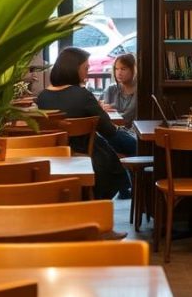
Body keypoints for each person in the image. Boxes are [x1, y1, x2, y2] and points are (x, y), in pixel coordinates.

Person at [36, 47, 133, 200]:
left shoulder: (42, 97)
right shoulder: (82, 95)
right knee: (130, 145)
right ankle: (132, 189)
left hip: (52, 155)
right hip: (86, 155)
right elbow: (108, 130)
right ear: (74, 69)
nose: (88, 72)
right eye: (86, 68)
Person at [101, 53, 137, 125]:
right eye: (116, 69)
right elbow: (102, 111)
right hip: (111, 130)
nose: (119, 73)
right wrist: (101, 109)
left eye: (123, 69)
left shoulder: (139, 91)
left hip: (133, 132)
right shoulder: (111, 89)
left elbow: (127, 118)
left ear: (133, 70)